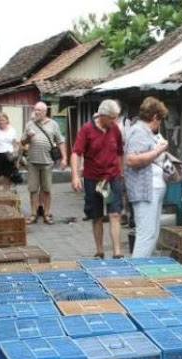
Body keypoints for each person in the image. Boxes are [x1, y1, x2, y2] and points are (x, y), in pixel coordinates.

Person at [71, 100, 124, 259]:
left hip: (112, 177)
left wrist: (121, 174)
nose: (115, 122)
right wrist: (75, 176)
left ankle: (117, 252)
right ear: (103, 116)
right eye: (112, 118)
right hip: (93, 178)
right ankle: (100, 250)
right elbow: (76, 153)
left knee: (115, 213)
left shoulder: (115, 129)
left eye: (116, 118)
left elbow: (120, 152)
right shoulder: (87, 130)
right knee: (97, 216)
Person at [125, 96, 169, 258]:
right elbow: (131, 159)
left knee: (152, 234)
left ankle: (143, 268)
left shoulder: (147, 131)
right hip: (144, 189)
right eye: (160, 119)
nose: (160, 123)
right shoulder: (139, 131)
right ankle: (136, 272)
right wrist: (158, 151)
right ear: (155, 117)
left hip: (152, 189)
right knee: (146, 234)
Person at [21, 102, 67, 225]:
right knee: (33, 190)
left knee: (46, 189)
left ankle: (46, 214)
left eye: (39, 110)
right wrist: (28, 137)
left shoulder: (53, 124)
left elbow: (60, 141)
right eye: (35, 110)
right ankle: (33, 214)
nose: (36, 112)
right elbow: (22, 141)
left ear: (45, 112)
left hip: (47, 162)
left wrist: (64, 158)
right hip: (32, 162)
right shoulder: (29, 124)